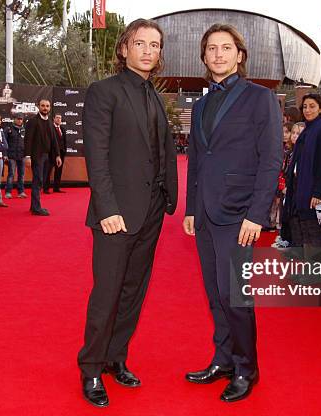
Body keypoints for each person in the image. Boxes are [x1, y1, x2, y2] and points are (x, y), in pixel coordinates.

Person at [78, 18, 178, 408]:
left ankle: (115, 357)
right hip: (116, 214)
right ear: (124, 49)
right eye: (141, 43)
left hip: (150, 210)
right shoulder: (105, 92)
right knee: (107, 292)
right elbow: (96, 155)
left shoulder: (153, 95)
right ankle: (90, 368)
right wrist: (107, 208)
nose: (149, 51)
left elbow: (163, 150)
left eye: (155, 45)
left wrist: (169, 198)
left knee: (134, 291)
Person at [183, 24, 282, 403]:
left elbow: (271, 158)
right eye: (212, 48)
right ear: (205, 57)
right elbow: (196, 158)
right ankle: (223, 359)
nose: (219, 54)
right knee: (214, 294)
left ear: (240, 55)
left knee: (234, 294)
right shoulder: (202, 104)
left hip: (240, 214)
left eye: (226, 48)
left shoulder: (260, 98)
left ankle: (246, 367)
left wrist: (257, 214)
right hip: (206, 214)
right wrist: (191, 208)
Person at [282, 93, 321, 281]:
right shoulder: (307, 130)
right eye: (305, 107)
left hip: (312, 190)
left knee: (313, 233)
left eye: (312, 106)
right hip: (299, 188)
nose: (307, 110)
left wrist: (318, 192)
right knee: (304, 231)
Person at [24, 99, 62, 216]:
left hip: (47, 156)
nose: (45, 108)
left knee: (41, 180)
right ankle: (36, 208)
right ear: (38, 107)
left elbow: (54, 140)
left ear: (50, 108)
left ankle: (34, 206)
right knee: (38, 181)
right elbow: (28, 140)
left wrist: (57, 155)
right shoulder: (33, 121)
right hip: (36, 156)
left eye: (47, 106)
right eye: (43, 106)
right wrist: (28, 156)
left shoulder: (50, 122)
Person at [43, 113, 67, 193]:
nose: (59, 119)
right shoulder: (50, 128)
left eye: (60, 118)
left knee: (59, 171)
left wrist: (64, 151)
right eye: (57, 118)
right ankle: (46, 188)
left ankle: (56, 188)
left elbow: (64, 141)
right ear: (53, 119)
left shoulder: (62, 129)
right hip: (51, 153)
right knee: (48, 171)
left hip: (61, 153)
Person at [4, 114, 26, 199]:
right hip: (11, 155)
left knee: (21, 174)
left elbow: (27, 143)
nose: (20, 121)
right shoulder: (8, 129)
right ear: (14, 119)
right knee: (11, 174)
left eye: (21, 119)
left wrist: (27, 155)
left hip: (22, 155)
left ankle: (21, 192)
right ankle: (8, 192)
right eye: (18, 119)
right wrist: (5, 154)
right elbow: (5, 143)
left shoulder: (24, 129)